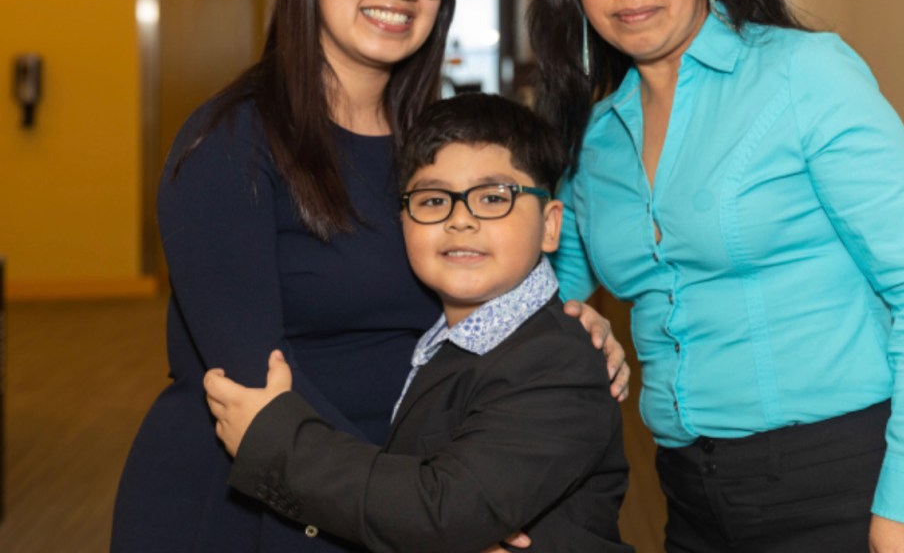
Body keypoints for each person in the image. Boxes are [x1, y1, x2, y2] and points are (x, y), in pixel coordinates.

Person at [112, 0, 626, 553]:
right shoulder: (229, 142)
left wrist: (563, 320)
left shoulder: (436, 148)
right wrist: (424, 509)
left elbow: (487, 285)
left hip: (389, 489)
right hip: (255, 499)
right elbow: (252, 384)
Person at [528, 0, 904, 553]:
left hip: (845, 482)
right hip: (691, 496)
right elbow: (548, 306)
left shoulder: (803, 75)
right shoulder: (596, 139)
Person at [203, 93, 633, 553]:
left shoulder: (558, 361)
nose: (461, 220)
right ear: (403, 221)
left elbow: (444, 511)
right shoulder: (435, 339)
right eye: (432, 200)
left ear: (550, 226)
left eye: (493, 197)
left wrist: (277, 444)